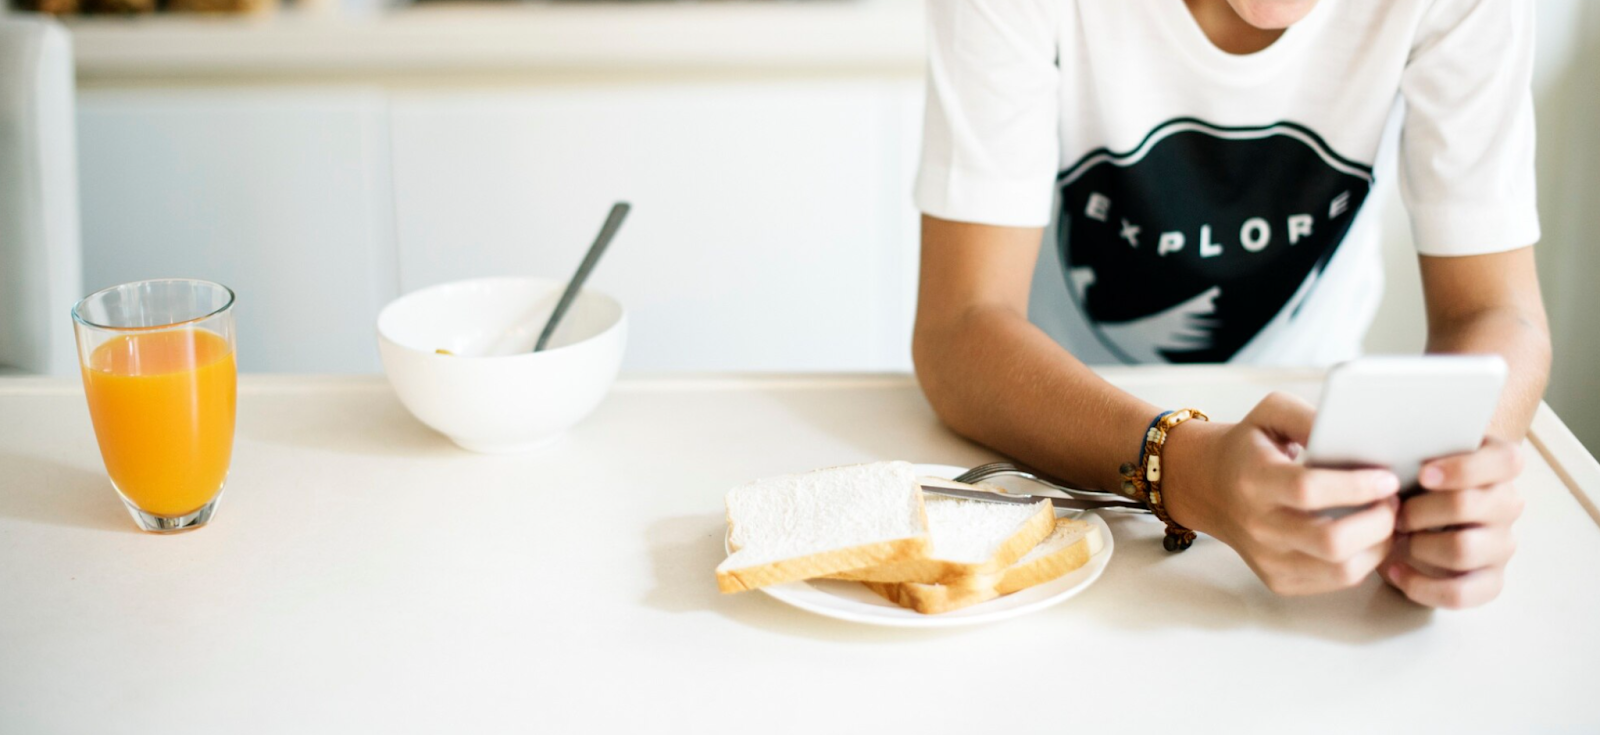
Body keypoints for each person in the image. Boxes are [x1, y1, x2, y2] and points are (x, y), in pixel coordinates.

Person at [911, 0, 1549, 609]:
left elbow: (1497, 311)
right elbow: (959, 327)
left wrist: (1448, 483)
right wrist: (1183, 469)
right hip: (1054, 447)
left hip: (1323, 441)